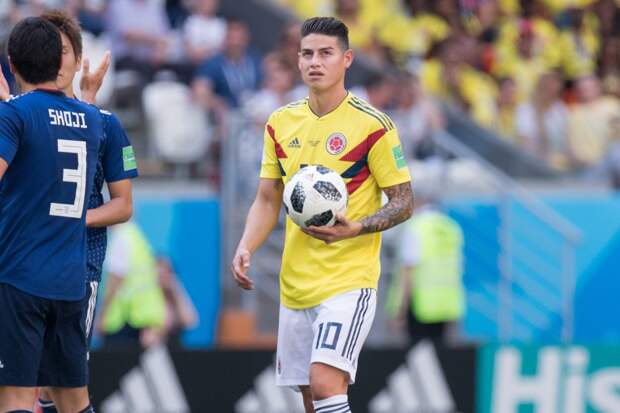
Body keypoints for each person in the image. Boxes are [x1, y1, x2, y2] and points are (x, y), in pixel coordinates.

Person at [231, 17, 414, 413]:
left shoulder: (373, 126)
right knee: (311, 397)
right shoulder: (280, 123)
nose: (315, 62)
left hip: (348, 281)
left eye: (326, 53)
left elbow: (403, 201)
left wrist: (357, 228)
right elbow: (267, 199)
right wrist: (246, 245)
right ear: (298, 60)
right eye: (307, 54)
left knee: (326, 382)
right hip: (296, 285)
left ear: (347, 59)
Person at [35, 10, 140, 413]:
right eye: (47, 49)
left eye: (63, 50)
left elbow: (123, 205)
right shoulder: (20, 118)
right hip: (25, 264)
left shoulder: (107, 125)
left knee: (63, 385)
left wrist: (74, 220)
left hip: (80, 266)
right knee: (33, 383)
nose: (55, 59)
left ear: (79, 60)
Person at [0, 17, 104, 413]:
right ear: (60, 62)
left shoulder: (15, 115)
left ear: (12, 63)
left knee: (15, 396)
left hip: (20, 276)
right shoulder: (91, 119)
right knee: (73, 400)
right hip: (70, 280)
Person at [386, 190, 465, 345]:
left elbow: (408, 270)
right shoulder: (450, 226)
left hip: (419, 305)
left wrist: (400, 309)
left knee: (418, 353)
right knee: (439, 353)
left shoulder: (415, 227)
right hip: (446, 304)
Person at [98, 221, 167, 349]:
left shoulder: (121, 237)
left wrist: (102, 316)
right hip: (144, 319)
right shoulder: (136, 236)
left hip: (124, 321)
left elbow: (115, 279)